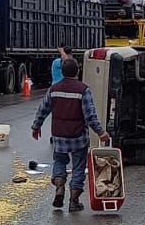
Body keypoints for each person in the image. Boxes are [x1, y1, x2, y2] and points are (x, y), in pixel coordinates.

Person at [30, 57, 111, 212]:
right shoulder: (83, 90)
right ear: (78, 71)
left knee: (60, 162)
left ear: (62, 71)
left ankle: (59, 186)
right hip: (78, 136)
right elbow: (90, 116)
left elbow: (43, 109)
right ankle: (74, 201)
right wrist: (101, 133)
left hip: (59, 135)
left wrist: (36, 127)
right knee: (78, 167)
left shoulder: (54, 90)